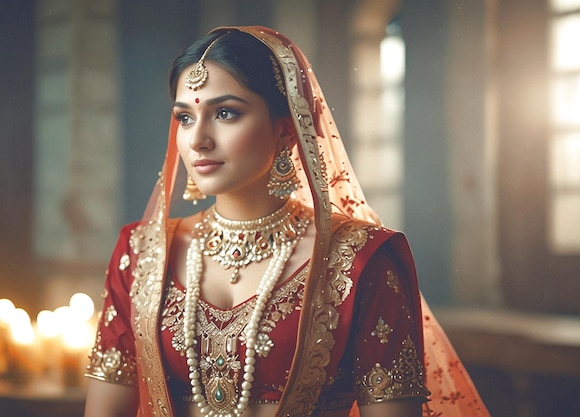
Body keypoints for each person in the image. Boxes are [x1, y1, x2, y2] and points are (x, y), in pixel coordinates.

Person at [83, 26, 490, 417]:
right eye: (185, 117)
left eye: (225, 113)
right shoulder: (142, 253)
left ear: (285, 129)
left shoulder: (362, 260)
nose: (197, 139)